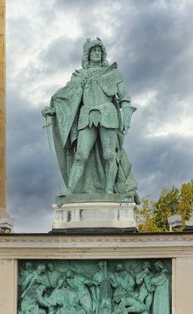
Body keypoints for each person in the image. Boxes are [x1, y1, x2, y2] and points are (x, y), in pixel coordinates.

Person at [42, 38, 139, 202]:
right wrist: (54, 110)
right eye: (93, 50)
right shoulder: (79, 75)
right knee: (80, 155)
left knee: (109, 155)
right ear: (87, 54)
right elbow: (68, 97)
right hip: (86, 114)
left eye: (99, 50)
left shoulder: (112, 73)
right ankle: (70, 190)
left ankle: (109, 190)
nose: (96, 53)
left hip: (108, 114)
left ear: (103, 54)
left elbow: (125, 98)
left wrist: (126, 119)